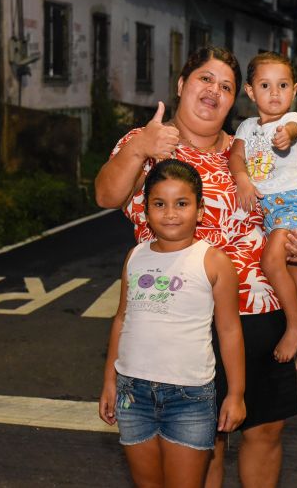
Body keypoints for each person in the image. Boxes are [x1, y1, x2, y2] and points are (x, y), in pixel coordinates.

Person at [95, 45, 297, 487]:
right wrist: (141, 145)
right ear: (181, 85)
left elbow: (286, 207)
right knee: (207, 443)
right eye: (205, 79)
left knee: (266, 430)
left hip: (262, 311)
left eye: (226, 86)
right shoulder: (149, 142)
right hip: (186, 322)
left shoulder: (250, 145)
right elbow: (106, 194)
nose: (214, 90)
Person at [98, 159, 246, 487]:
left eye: (181, 204)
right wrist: (110, 381)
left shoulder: (213, 261)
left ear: (200, 209)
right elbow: (122, 318)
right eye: (159, 204)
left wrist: (236, 394)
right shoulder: (135, 257)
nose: (170, 213)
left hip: (189, 397)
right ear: (147, 211)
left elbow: (229, 330)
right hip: (131, 394)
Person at [228, 51, 297, 368]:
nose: (275, 93)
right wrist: (241, 178)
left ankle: (294, 326)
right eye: (265, 86)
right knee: (293, 276)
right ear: (251, 91)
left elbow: (293, 132)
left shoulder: (291, 121)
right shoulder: (245, 128)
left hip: (294, 202)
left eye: (283, 85)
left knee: (271, 261)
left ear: (294, 90)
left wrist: (286, 137)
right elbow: (235, 158)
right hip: (270, 210)